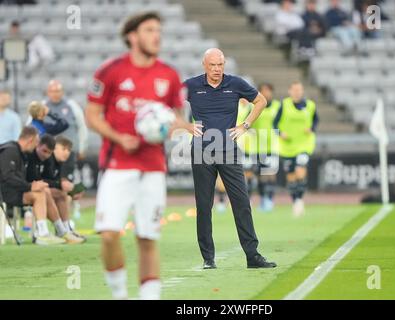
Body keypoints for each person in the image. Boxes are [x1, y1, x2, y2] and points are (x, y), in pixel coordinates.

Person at [85, 12, 195, 300]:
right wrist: (119, 137)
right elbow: (92, 115)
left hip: (153, 167)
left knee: (147, 238)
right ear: (132, 36)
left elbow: (177, 120)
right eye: (149, 30)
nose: (156, 36)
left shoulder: (169, 75)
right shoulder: (110, 71)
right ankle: (120, 294)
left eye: (158, 30)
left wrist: (170, 128)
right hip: (117, 165)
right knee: (109, 234)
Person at [184, 48, 277, 269]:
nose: (217, 69)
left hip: (229, 150)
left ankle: (252, 256)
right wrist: (185, 125)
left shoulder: (235, 84)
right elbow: (166, 102)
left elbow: (261, 101)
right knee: (204, 206)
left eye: (220, 65)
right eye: (213, 65)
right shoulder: (191, 86)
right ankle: (208, 258)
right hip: (201, 151)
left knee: (242, 203)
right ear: (204, 65)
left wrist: (245, 125)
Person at [0, 126, 65, 245]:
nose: (36, 146)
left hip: (14, 191)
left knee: (44, 190)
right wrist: (30, 186)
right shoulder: (10, 150)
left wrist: (32, 185)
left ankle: (62, 231)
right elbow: (7, 177)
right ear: (30, 140)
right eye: (36, 142)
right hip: (4, 193)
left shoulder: (20, 152)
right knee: (39, 194)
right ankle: (43, 234)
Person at [25, 134, 85, 244]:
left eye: (69, 150)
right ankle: (59, 230)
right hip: (31, 190)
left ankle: (64, 229)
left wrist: (71, 191)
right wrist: (61, 184)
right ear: (55, 148)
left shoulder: (58, 162)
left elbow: (52, 181)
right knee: (56, 193)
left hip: (40, 190)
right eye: (64, 148)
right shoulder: (46, 158)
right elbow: (41, 179)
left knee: (61, 194)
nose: (66, 152)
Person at [44, 79, 89, 217]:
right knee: (54, 184)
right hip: (49, 154)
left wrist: (82, 147)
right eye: (52, 91)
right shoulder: (43, 106)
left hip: (68, 152)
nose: (55, 94)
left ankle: (68, 216)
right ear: (48, 92)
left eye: (58, 91)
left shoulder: (71, 105)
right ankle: (61, 218)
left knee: (66, 182)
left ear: (62, 92)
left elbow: (82, 126)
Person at [274, 81, 319, 217]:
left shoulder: (310, 105)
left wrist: (311, 128)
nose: (297, 92)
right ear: (290, 91)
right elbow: (274, 123)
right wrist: (280, 133)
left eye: (299, 90)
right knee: (291, 177)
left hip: (304, 144)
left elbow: (316, 120)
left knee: (300, 170)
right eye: (294, 90)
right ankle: (295, 200)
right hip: (287, 146)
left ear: (302, 91)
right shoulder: (284, 105)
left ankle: (300, 199)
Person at [252, 83, 281, 212]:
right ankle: (263, 199)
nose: (266, 93)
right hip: (259, 146)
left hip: (273, 145)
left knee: (270, 173)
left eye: (268, 91)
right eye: (263, 91)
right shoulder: (256, 106)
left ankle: (270, 199)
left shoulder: (278, 106)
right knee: (260, 175)